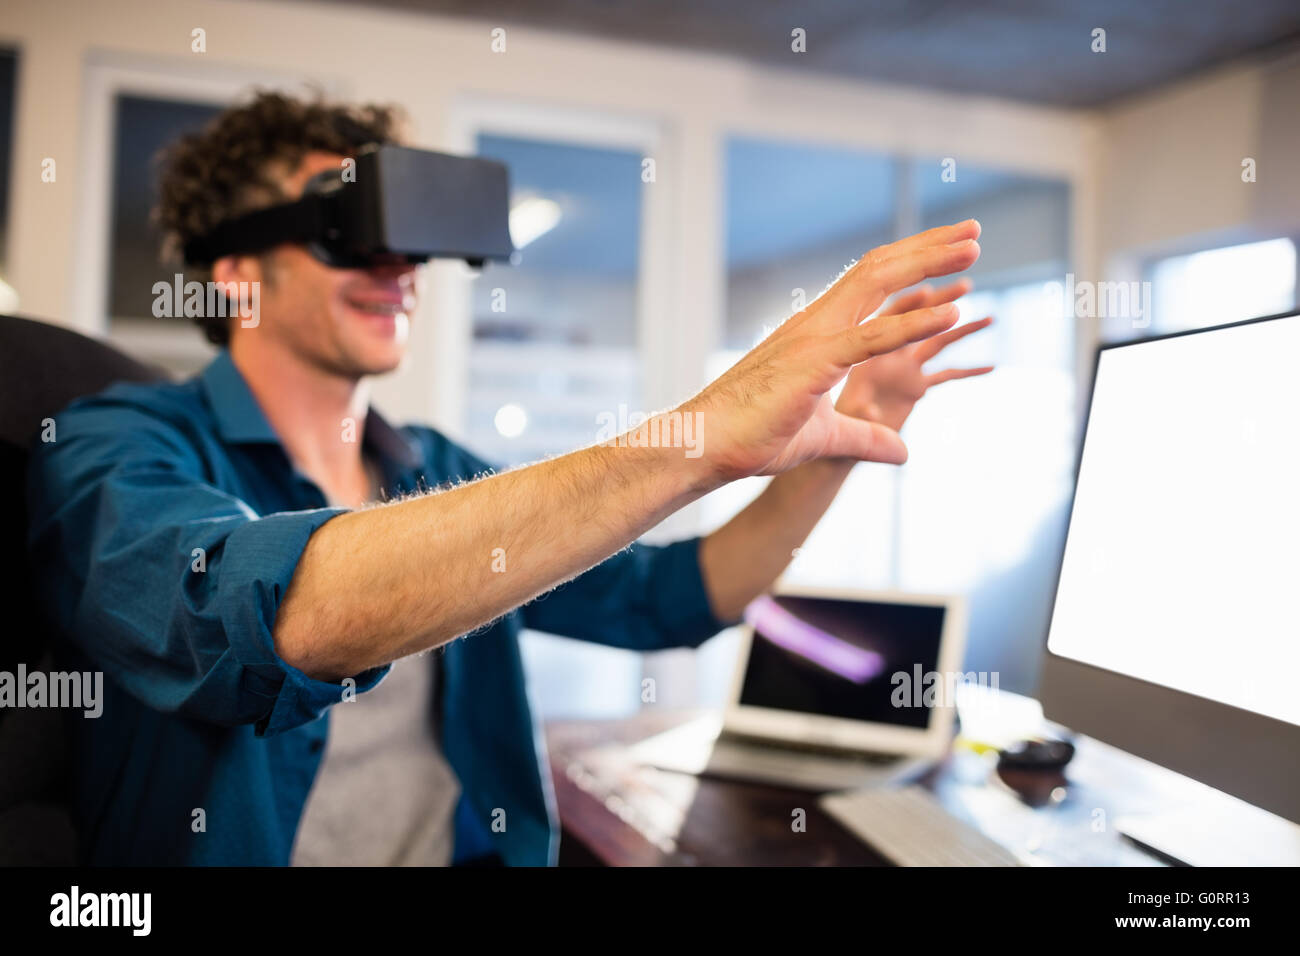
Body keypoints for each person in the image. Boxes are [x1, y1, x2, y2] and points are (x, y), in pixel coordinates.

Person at [26, 91, 993, 865]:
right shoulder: (113, 442)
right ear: (236, 274)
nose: (398, 264)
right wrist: (694, 439)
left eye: (405, 234)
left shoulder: (433, 468)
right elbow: (250, 616)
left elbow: (674, 599)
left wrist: (837, 443)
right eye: (349, 229)